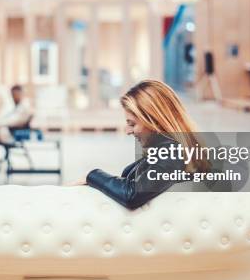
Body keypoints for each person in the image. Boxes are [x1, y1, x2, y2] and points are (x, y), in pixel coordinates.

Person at [71, 80, 210, 209]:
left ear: (154, 121)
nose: (127, 131)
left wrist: (92, 175)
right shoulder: (166, 151)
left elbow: (132, 196)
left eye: (132, 124)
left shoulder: (172, 153)